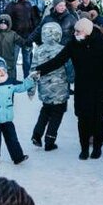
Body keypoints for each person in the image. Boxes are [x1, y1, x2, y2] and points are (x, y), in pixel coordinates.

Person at [34, 17, 103, 160]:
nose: (75, 33)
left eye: (78, 31)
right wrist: (40, 70)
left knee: (97, 118)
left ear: (87, 32)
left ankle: (97, 148)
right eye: (75, 31)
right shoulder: (73, 44)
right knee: (82, 118)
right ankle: (84, 148)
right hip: (82, 87)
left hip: (100, 86)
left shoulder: (101, 43)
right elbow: (58, 60)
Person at [30, 21, 69, 151]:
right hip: (60, 88)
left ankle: (37, 134)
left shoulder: (39, 50)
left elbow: (33, 70)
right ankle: (50, 141)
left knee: (46, 110)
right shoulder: (62, 49)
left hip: (44, 88)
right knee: (57, 113)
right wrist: (71, 79)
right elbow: (69, 67)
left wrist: (32, 88)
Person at [6, 0, 40, 81]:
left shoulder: (29, 4)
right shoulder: (11, 5)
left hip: (27, 37)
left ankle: (27, 79)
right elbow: (7, 19)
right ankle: (13, 79)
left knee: (27, 60)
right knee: (13, 60)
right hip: (15, 36)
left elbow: (33, 20)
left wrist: (33, 35)